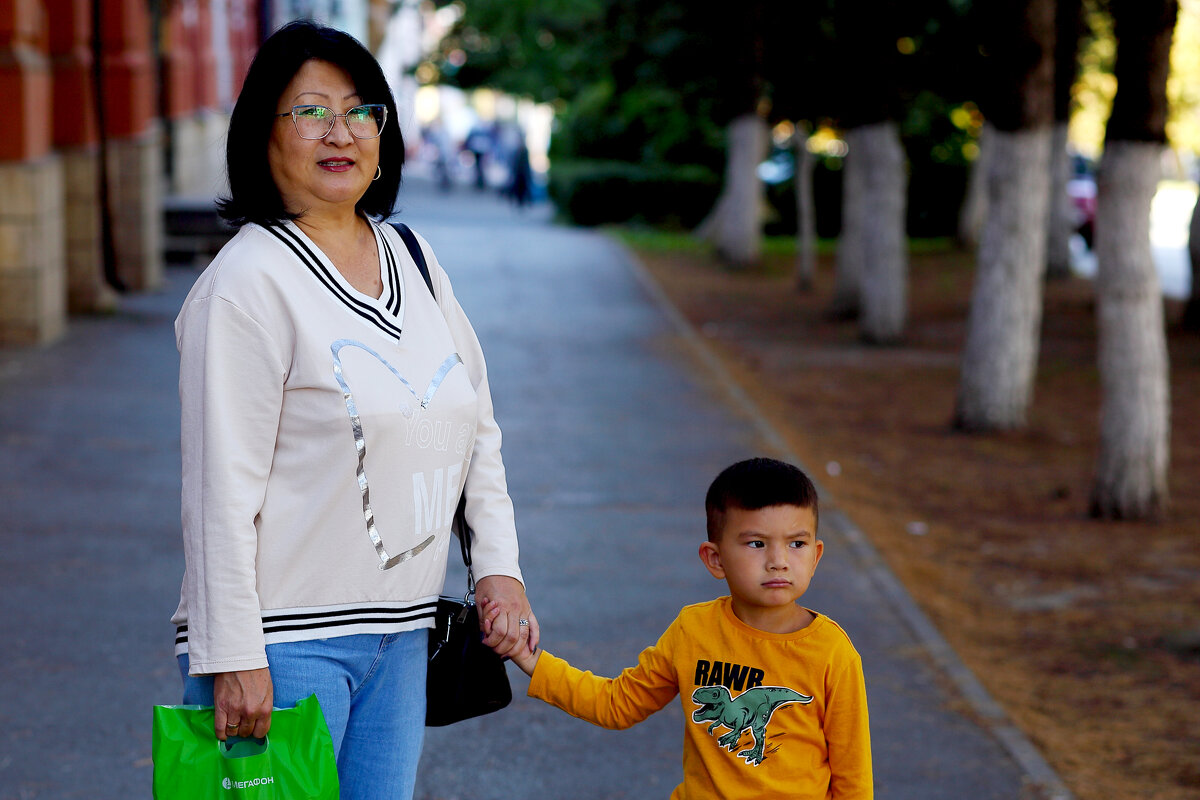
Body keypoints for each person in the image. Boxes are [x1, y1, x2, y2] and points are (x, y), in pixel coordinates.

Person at [170, 19, 537, 800]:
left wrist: (498, 571)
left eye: (361, 110)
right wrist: (233, 654)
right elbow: (219, 495)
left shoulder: (414, 256)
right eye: (309, 111)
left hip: (402, 639)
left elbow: (476, 427)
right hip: (282, 647)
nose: (340, 131)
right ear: (262, 135)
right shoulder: (245, 286)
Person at [486, 457, 872, 799]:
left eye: (796, 544)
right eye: (756, 543)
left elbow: (853, 777)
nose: (778, 561)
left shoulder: (832, 652)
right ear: (715, 559)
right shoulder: (693, 630)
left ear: (816, 554)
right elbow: (616, 704)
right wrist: (532, 660)